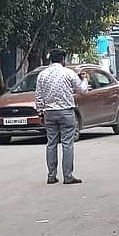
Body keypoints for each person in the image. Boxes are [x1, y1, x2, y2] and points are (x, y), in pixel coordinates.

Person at [35, 50, 89, 185]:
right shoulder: (68, 73)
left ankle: (51, 175)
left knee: (51, 144)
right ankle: (68, 176)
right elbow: (83, 90)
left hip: (49, 113)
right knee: (67, 144)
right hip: (66, 112)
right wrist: (85, 79)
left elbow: (38, 96)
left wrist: (40, 113)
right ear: (63, 60)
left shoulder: (42, 75)